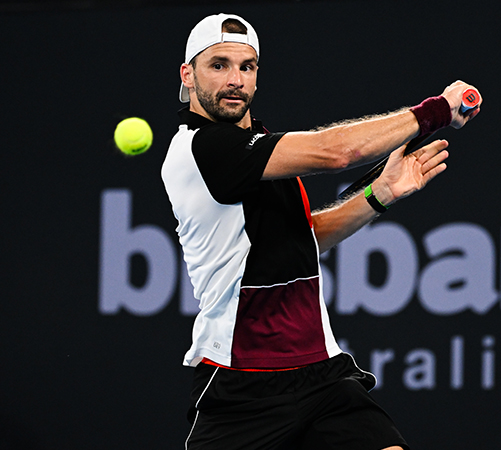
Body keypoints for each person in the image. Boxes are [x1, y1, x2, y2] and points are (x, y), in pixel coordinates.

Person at [161, 13, 482, 450]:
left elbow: (304, 240)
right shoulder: (200, 149)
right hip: (243, 382)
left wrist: (379, 194)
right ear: (188, 74)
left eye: (246, 67)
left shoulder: (257, 143)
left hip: (321, 372)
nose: (235, 79)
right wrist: (437, 111)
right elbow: (338, 153)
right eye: (218, 65)